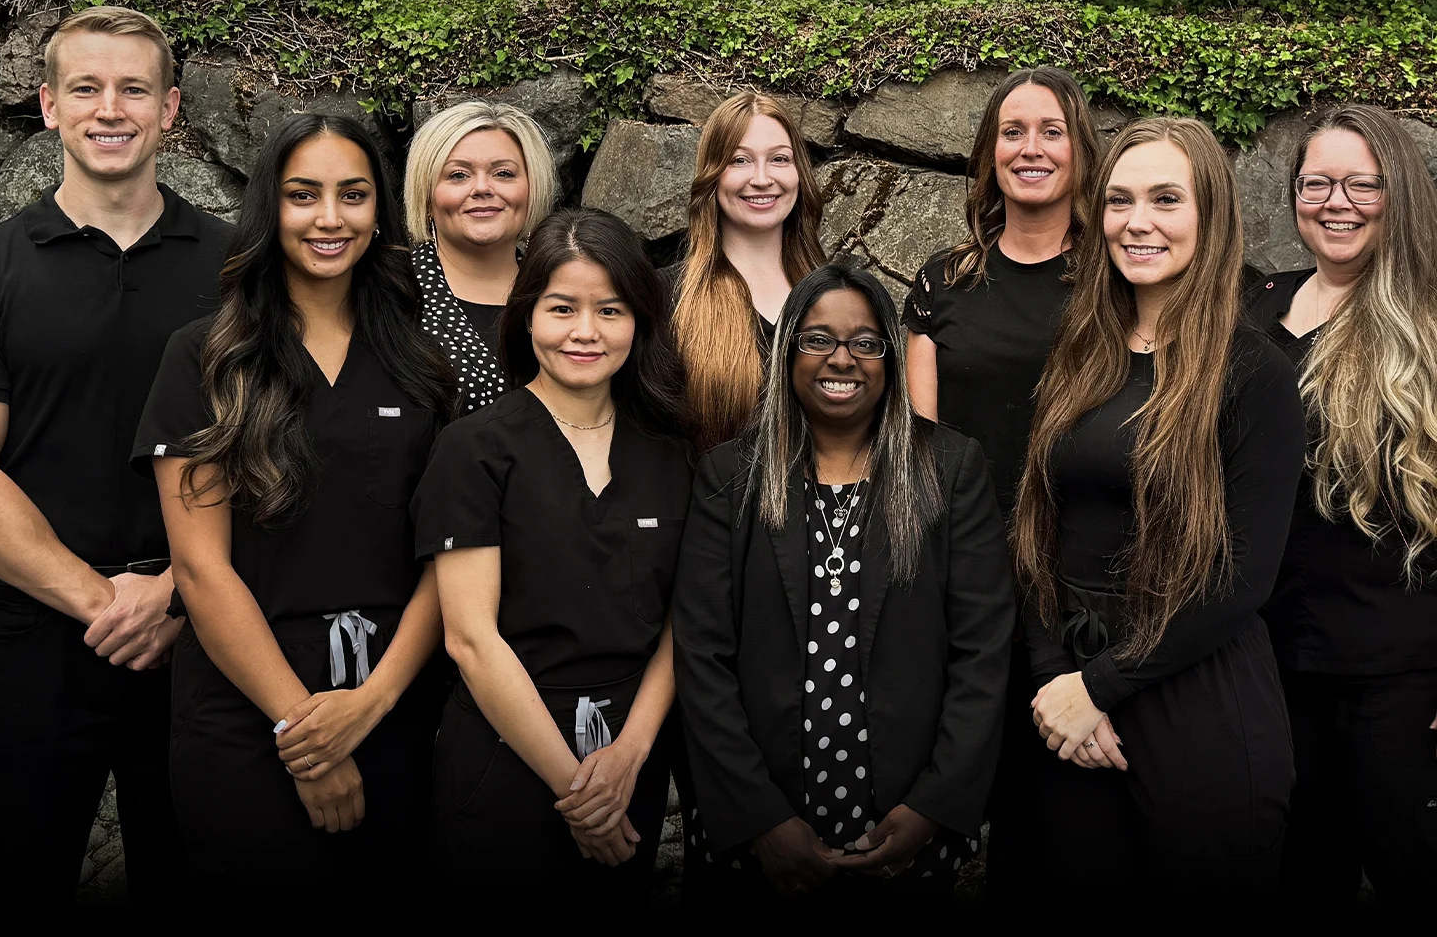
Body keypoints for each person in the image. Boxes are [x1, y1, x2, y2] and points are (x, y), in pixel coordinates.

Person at [0, 6, 227, 905]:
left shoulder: (238, 266)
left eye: (134, 88)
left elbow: (273, 445)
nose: (109, 107)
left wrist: (173, 591)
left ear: (170, 110)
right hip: (36, 638)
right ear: (49, 107)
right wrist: (103, 604)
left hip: (206, 629)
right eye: (86, 87)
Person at [135, 113, 456, 898]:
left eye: (352, 195)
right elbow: (201, 570)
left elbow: (448, 555)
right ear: (268, 209)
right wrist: (302, 730)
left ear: (379, 209)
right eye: (302, 195)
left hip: (396, 696)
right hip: (246, 705)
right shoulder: (206, 355)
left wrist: (372, 705)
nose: (329, 218)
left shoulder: (421, 358)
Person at [1247, 104, 1437, 903]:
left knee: (1430, 876)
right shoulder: (1257, 307)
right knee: (1297, 875)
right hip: (1271, 666)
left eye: (1362, 184)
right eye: (1316, 182)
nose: (1334, 201)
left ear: (1402, 193)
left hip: (1407, 674)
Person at [1012, 117, 1306, 901]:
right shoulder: (1082, 353)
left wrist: (1104, 685)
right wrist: (1056, 685)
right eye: (1118, 200)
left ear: (1210, 217)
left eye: (1166, 199)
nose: (1137, 222)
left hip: (1195, 697)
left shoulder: (1255, 374)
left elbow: (1243, 579)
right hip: (1072, 701)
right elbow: (1039, 528)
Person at [674, 262, 1014, 902]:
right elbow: (702, 657)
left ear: (889, 355)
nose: (842, 358)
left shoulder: (949, 468)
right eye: (818, 339)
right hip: (763, 830)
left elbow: (983, 652)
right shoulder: (729, 476)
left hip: (908, 824)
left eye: (865, 342)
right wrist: (760, 818)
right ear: (787, 353)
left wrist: (935, 804)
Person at [417, 208, 690, 900]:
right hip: (508, 757)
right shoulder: (474, 448)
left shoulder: (670, 452)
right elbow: (470, 638)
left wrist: (628, 755)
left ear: (639, 321)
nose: (585, 332)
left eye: (610, 310)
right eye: (562, 308)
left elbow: (683, 623)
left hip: (632, 760)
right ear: (527, 314)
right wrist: (577, 791)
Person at [898, 66, 1098, 897]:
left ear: (1081, 151)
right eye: (1012, 132)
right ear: (987, 155)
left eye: (1050, 130)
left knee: (1060, 824)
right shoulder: (942, 282)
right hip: (967, 579)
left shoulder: (1113, 279)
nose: (1030, 148)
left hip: (1079, 578)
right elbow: (916, 453)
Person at [666, 90, 827, 451]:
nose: (761, 178)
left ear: (799, 172)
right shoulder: (670, 299)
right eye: (739, 161)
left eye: (779, 159)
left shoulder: (833, 296)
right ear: (712, 176)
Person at [404, 100, 559, 415]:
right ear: (427, 194)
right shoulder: (394, 293)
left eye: (503, 173)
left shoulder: (561, 284)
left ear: (532, 188)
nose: (482, 188)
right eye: (458, 175)